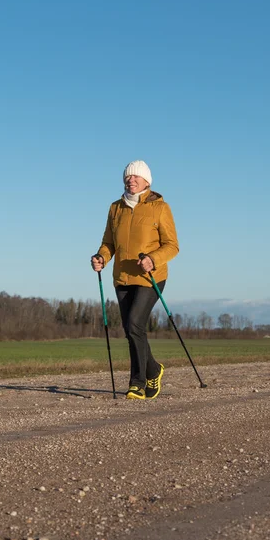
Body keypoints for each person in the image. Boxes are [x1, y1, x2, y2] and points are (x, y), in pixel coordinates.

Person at [91, 160, 179, 400]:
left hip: (150, 277)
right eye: (128, 177)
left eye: (136, 177)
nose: (131, 180)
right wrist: (101, 257)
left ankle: (137, 383)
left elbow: (172, 246)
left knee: (134, 324)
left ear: (147, 182)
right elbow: (109, 243)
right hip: (122, 277)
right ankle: (153, 369)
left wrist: (153, 258)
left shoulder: (160, 208)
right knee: (131, 330)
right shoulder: (115, 208)